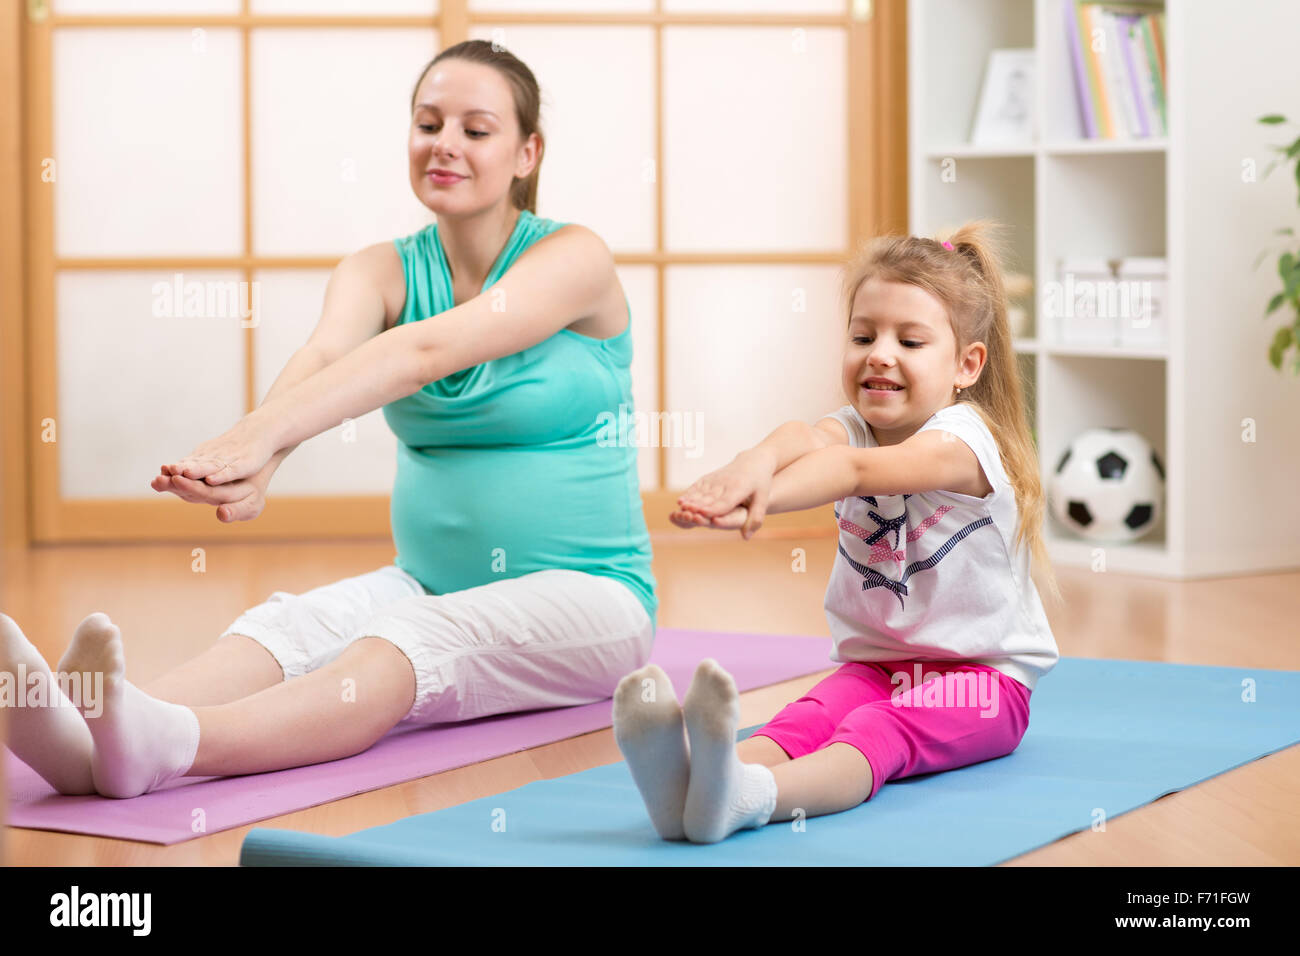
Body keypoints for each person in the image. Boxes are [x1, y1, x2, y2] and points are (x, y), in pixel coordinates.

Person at [1, 40, 657, 799]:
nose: (445, 144)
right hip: (429, 580)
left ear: (525, 152)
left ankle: (171, 743)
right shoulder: (380, 268)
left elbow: (426, 350)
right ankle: (88, 737)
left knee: (406, 643)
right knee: (295, 623)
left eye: (476, 130)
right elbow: (323, 356)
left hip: (593, 598)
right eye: (428, 123)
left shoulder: (577, 258)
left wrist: (258, 438)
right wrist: (260, 467)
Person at [612, 220, 1064, 843]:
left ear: (966, 365)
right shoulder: (855, 424)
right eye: (863, 335)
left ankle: (751, 798)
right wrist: (752, 467)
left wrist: (761, 497)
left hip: (985, 685)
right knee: (808, 719)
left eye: (910, 341)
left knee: (876, 734)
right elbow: (804, 438)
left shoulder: (963, 445)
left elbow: (851, 471)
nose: (880, 353)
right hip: (877, 667)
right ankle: (686, 789)